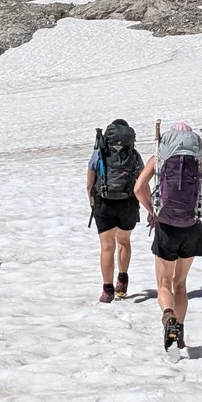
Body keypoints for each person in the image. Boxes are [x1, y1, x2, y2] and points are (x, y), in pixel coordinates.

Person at [134, 121, 202, 350]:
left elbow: (138, 188)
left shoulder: (159, 160)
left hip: (166, 226)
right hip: (191, 226)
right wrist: (201, 210)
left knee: (164, 283)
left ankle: (168, 318)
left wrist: (151, 210)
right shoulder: (201, 163)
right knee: (180, 283)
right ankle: (179, 334)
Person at [87, 119, 143, 304]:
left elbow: (89, 183)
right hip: (128, 203)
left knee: (107, 247)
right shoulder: (133, 154)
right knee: (124, 242)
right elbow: (141, 181)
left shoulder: (100, 153)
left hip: (104, 203)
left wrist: (92, 202)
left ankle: (107, 290)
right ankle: (123, 279)